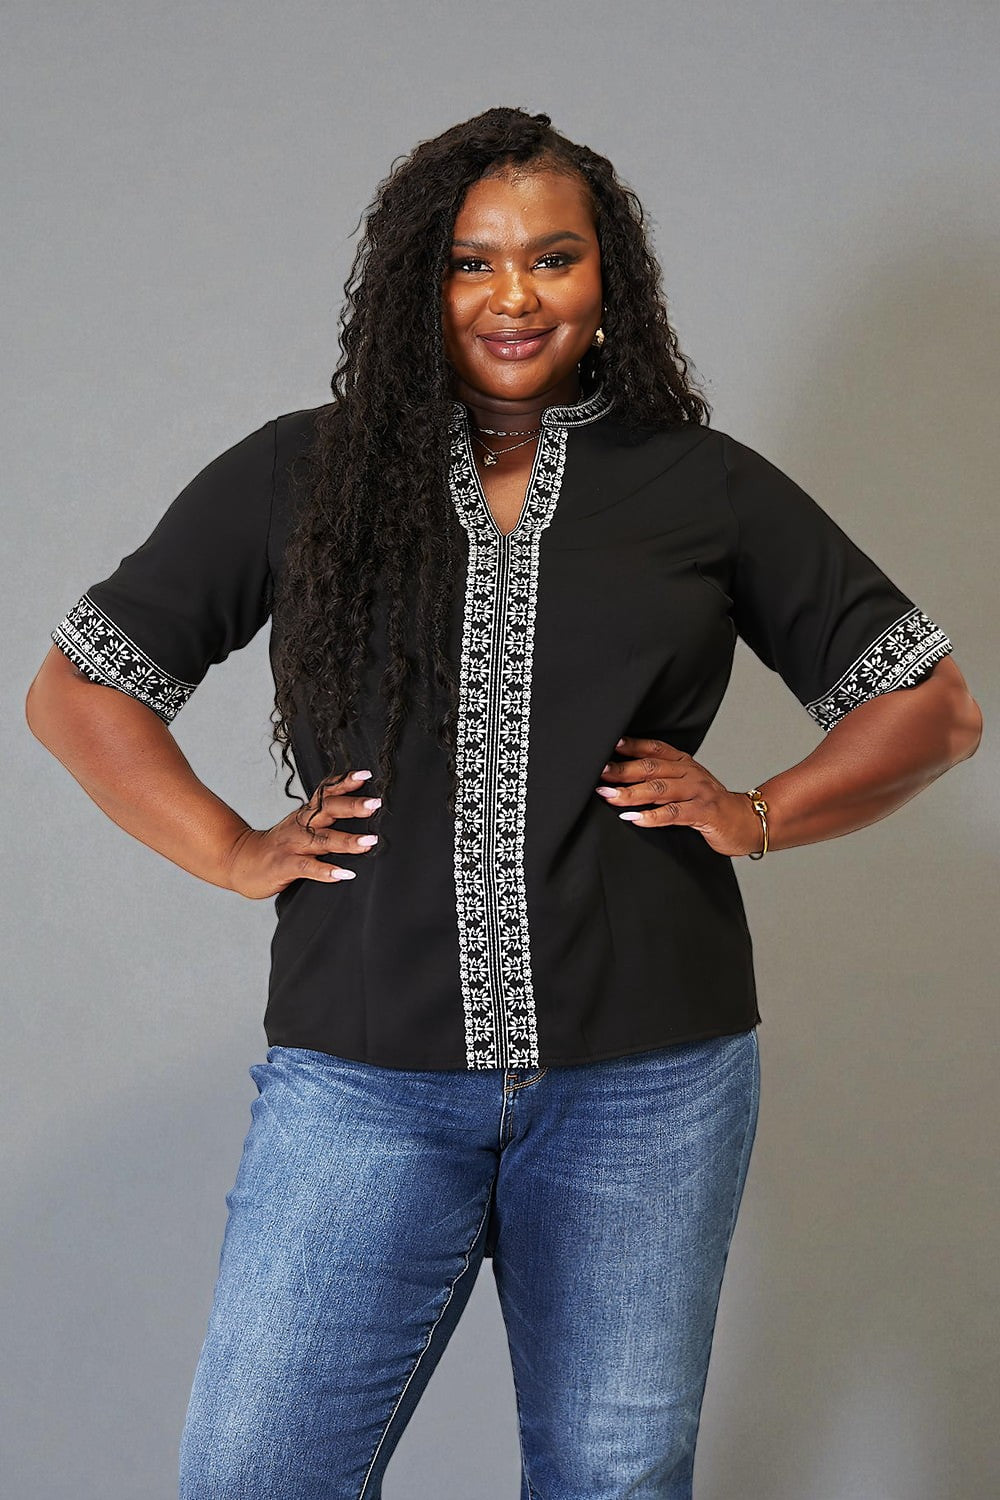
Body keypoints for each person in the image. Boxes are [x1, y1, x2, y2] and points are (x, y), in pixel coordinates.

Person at [26, 106, 981, 1500]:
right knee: (255, 1474)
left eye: (553, 258)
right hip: (363, 1074)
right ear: (419, 281)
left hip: (648, 1082)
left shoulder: (697, 485)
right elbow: (82, 689)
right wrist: (229, 848)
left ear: (608, 280)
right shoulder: (305, 473)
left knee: (613, 1482)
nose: (514, 297)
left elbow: (932, 707)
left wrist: (761, 811)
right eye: (472, 262)